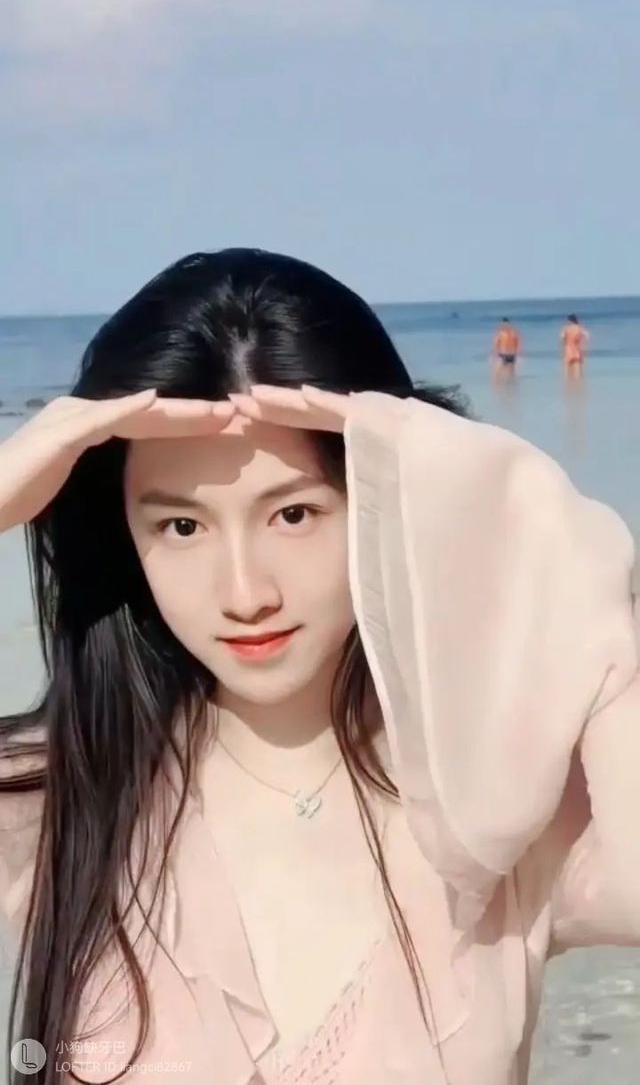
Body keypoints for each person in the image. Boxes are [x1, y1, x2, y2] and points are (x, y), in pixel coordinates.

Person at [0, 248, 639, 1085]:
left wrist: (524, 504)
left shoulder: (498, 806)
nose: (245, 593)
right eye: (181, 527)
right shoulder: (55, 800)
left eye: (294, 513)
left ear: (382, 499)